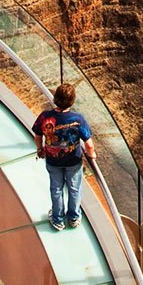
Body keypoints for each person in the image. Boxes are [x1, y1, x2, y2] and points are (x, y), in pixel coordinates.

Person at [32, 82, 94, 230]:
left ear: (55, 98)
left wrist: (40, 149)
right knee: (74, 188)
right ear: (72, 101)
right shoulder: (78, 119)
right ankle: (73, 217)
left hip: (53, 160)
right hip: (73, 161)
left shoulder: (45, 117)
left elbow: (37, 134)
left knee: (56, 188)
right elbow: (89, 144)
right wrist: (91, 155)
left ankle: (58, 219)